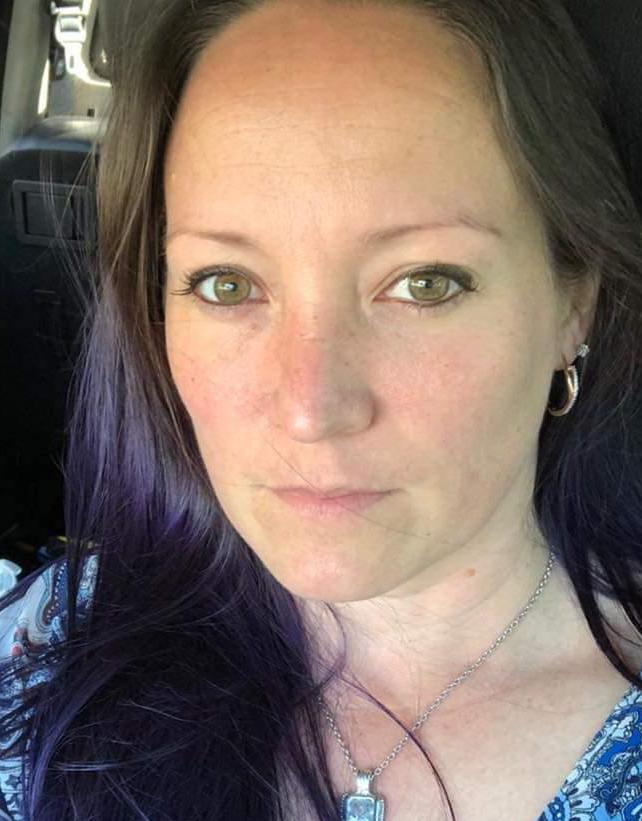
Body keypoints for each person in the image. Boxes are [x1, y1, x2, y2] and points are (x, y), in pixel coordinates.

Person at [1, 0, 642, 818]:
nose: (310, 410)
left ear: (572, 305)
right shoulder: (48, 650)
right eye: (226, 284)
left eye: (424, 283)